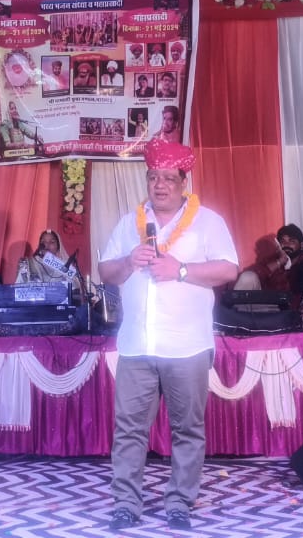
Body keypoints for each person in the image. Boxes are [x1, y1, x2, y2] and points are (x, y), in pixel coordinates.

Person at [98, 139, 238, 531]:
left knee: (187, 429)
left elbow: (229, 269)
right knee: (129, 429)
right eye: (153, 178)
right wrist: (128, 262)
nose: (160, 185)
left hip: (187, 345)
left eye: (169, 179)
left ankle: (180, 502)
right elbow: (105, 272)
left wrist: (181, 270)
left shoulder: (207, 221)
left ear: (183, 183)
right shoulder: (129, 223)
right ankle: (126, 503)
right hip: (137, 345)